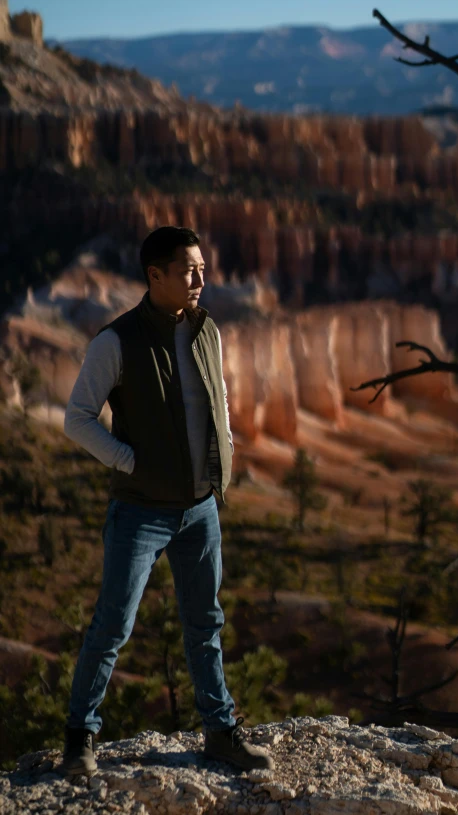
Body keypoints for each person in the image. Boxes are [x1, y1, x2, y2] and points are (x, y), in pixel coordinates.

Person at [61, 226, 274, 776]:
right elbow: (77, 418)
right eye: (187, 270)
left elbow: (217, 396)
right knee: (113, 625)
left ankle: (220, 732)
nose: (201, 279)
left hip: (200, 507)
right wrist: (130, 463)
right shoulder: (116, 342)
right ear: (154, 276)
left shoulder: (207, 331)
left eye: (202, 267)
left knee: (205, 621)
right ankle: (80, 738)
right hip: (140, 511)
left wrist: (223, 455)